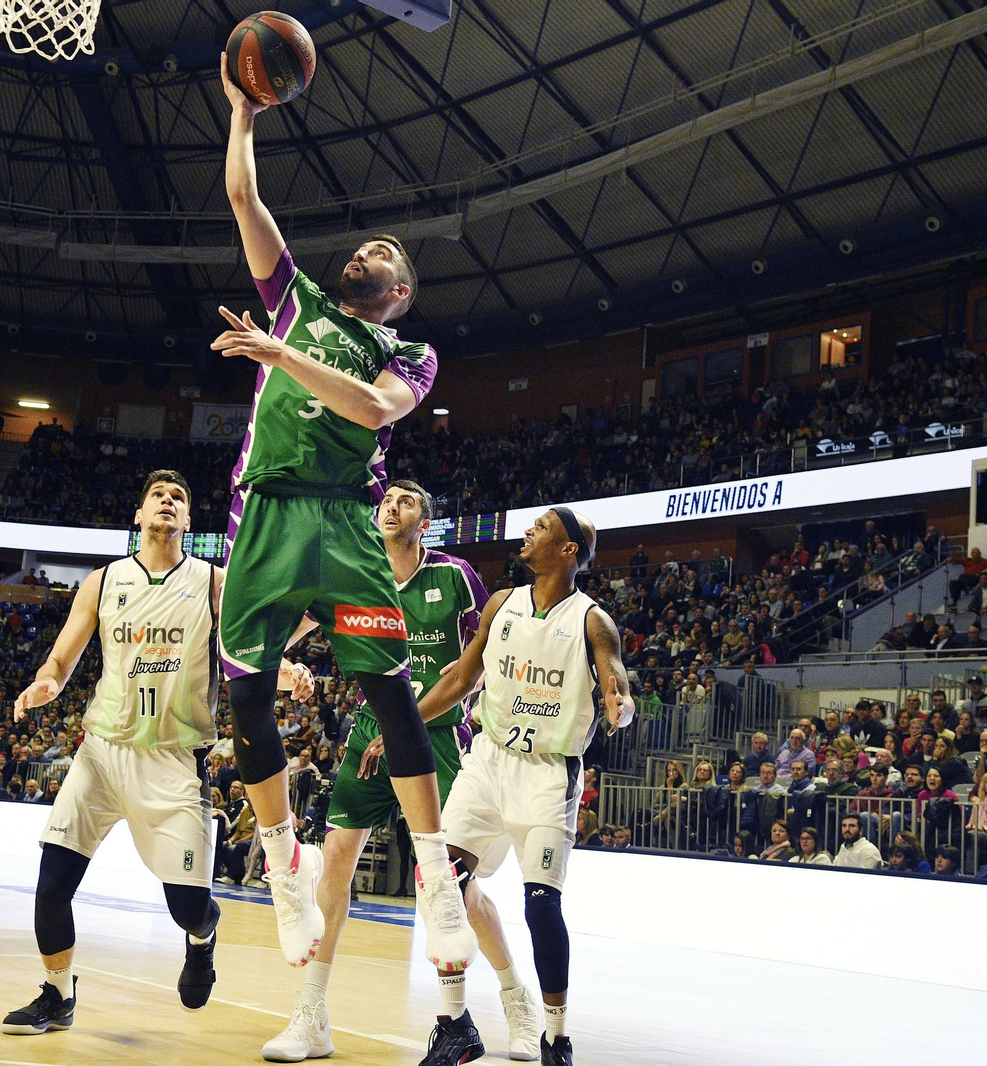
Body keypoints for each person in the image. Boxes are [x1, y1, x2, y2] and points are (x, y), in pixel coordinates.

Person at [216, 62, 473, 976]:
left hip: (346, 527)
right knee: (246, 691)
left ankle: (436, 878)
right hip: (267, 517)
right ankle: (284, 872)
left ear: (400, 291)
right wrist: (244, 112)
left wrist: (280, 354)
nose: (367, 253)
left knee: (389, 691)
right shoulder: (299, 297)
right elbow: (245, 196)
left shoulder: (410, 350)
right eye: (365, 249)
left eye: (387, 257)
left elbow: (372, 409)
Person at [1, 472, 315, 1034]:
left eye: (179, 499)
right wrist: (47, 681)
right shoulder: (102, 582)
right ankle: (57, 993)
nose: (168, 503)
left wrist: (285, 667)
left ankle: (203, 935)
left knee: (186, 909)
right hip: (101, 753)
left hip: (174, 761)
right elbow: (61, 659)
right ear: (139, 516)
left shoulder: (215, 582)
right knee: (51, 887)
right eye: (157, 496)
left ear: (189, 522)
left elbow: (244, 646)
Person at [265, 481, 532, 1063]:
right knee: (336, 856)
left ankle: (516, 999)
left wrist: (404, 724)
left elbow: (479, 662)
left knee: (454, 883)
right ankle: (311, 1015)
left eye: (408, 501)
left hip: (437, 734)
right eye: (388, 499)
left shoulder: (455, 575)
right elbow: (287, 628)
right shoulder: (353, 574)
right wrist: (269, 655)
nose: (391, 505)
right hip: (369, 730)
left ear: (425, 522)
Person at [412, 506, 633, 1066]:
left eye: (541, 528)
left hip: (547, 774)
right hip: (487, 759)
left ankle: (556, 1036)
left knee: (540, 907)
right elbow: (463, 678)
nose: (528, 532)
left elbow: (616, 680)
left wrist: (620, 703)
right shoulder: (501, 604)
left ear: (567, 551)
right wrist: (404, 724)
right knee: (440, 884)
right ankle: (454, 1024)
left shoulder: (591, 621)